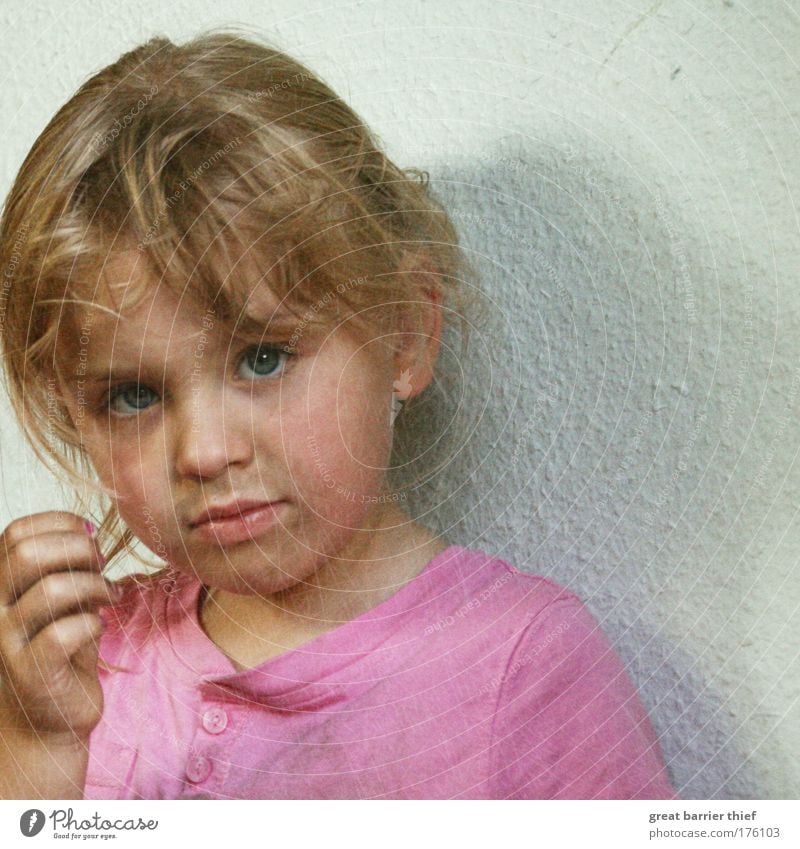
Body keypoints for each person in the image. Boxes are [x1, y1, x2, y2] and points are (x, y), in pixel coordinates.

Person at [0, 29, 677, 800]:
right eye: (134, 395)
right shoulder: (86, 666)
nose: (206, 451)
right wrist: (38, 742)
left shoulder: (521, 665)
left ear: (405, 336)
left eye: (263, 357)